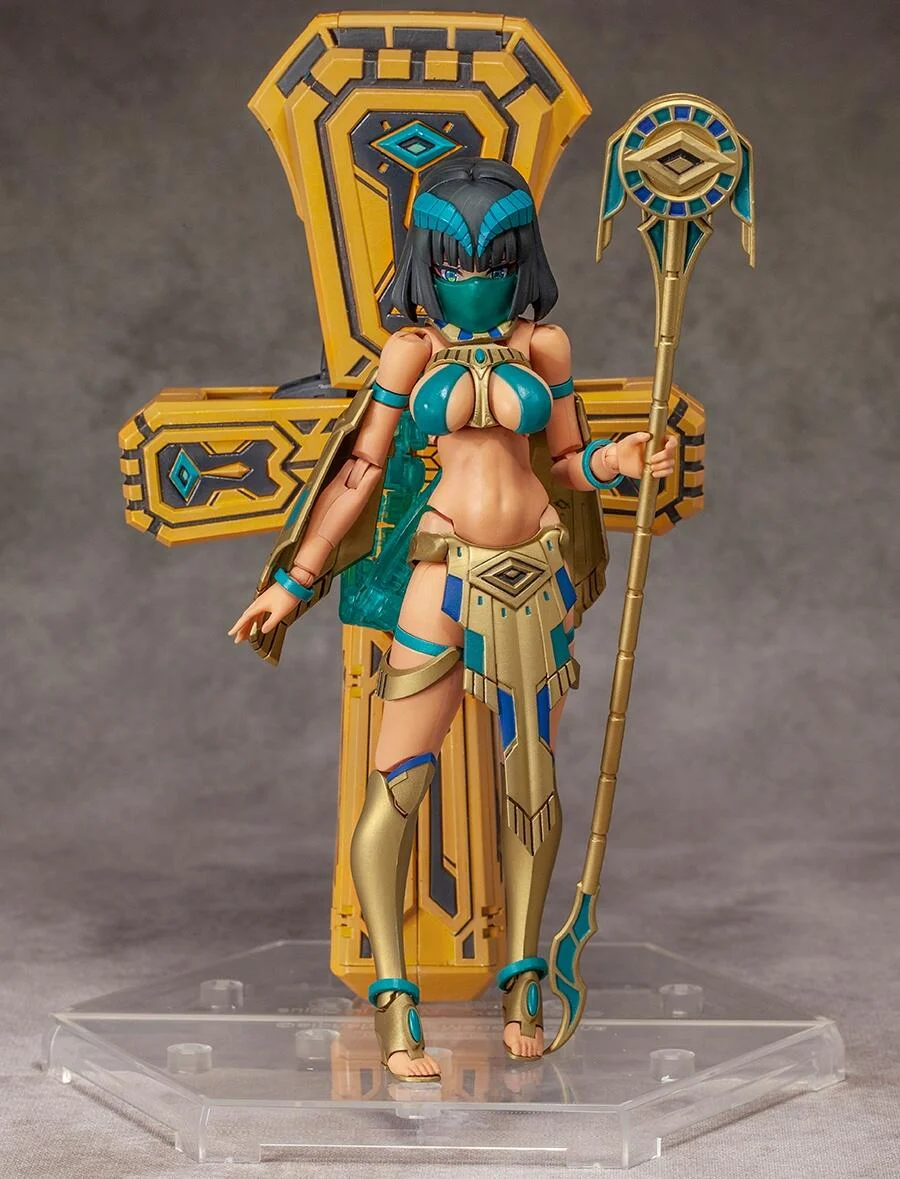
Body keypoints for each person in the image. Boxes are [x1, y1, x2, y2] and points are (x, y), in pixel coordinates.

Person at [229, 157, 675, 1080]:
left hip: (535, 573)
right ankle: (395, 1001)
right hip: (442, 571)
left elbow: (566, 463)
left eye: (496, 260)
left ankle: (523, 981)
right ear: (430, 263)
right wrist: (295, 580)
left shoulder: (545, 348)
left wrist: (620, 460)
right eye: (458, 262)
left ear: (523, 258)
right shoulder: (411, 353)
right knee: (397, 784)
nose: (477, 279)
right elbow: (361, 468)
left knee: (531, 782)